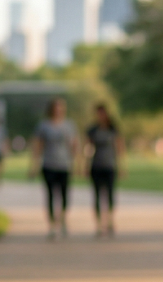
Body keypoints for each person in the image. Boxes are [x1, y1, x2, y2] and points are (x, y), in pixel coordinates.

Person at [29, 98, 79, 239]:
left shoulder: (69, 125)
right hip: (49, 164)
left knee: (64, 195)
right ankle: (51, 225)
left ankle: (62, 219)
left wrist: (77, 162)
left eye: (60, 108)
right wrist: (34, 165)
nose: (58, 110)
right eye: (56, 108)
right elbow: (38, 146)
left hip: (64, 165)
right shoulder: (44, 126)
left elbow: (74, 144)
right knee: (50, 195)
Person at [86, 103, 124, 237]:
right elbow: (88, 148)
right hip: (96, 165)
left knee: (110, 195)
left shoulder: (113, 129)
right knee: (96, 195)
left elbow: (119, 148)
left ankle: (110, 220)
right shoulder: (92, 130)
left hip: (110, 165)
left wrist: (121, 166)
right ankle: (98, 224)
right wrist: (85, 165)